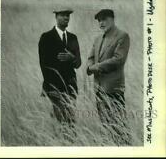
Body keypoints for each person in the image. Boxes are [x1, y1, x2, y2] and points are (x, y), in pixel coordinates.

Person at [86, 9, 130, 139]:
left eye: (104, 19)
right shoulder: (98, 38)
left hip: (113, 90)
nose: (101, 23)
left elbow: (118, 59)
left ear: (112, 19)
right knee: (105, 125)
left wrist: (96, 67)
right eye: (99, 20)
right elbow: (91, 57)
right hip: (98, 89)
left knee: (119, 126)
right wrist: (89, 66)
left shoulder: (122, 36)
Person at [38, 8, 81, 126]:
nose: (66, 18)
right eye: (63, 15)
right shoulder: (46, 37)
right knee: (57, 122)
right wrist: (52, 88)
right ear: (56, 17)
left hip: (71, 88)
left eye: (68, 15)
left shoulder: (73, 38)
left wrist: (72, 58)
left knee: (70, 121)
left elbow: (78, 63)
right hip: (54, 87)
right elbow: (44, 65)